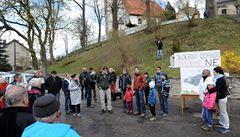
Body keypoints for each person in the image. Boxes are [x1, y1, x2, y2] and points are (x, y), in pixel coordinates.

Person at [208, 67, 230, 134]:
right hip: (220, 97)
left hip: (222, 98)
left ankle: (226, 127)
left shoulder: (221, 79)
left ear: (218, 72)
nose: (213, 73)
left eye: (214, 72)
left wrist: (208, 91)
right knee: (220, 111)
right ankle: (221, 123)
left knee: (223, 112)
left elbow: (217, 88)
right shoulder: (218, 78)